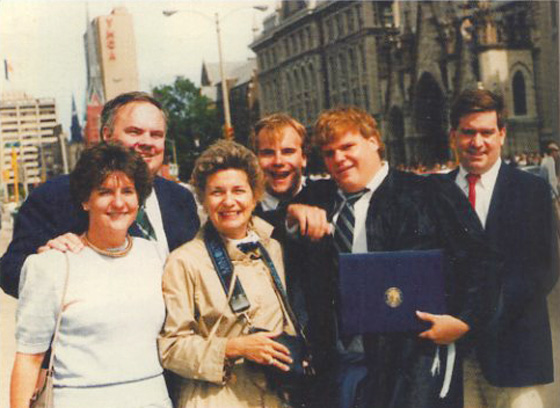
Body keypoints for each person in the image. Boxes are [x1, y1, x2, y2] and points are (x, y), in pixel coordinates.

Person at [286, 106, 497, 408]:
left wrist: (464, 322)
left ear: (373, 141)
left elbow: (482, 264)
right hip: (341, 365)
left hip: (411, 363)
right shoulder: (316, 199)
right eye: (330, 153)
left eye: (348, 147)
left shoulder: (428, 193)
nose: (339, 159)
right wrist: (291, 214)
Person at [10, 143, 171, 408]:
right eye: (105, 192)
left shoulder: (156, 257)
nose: (118, 203)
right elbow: (29, 359)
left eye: (128, 191)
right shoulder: (51, 265)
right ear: (86, 200)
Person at [0, 91, 200, 298]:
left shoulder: (180, 199)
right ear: (107, 135)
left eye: (156, 135)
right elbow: (10, 272)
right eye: (134, 132)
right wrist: (46, 262)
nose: (147, 142)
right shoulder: (54, 196)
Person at [159, 140, 301, 408]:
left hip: (274, 397)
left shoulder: (272, 247)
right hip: (216, 398)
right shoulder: (184, 261)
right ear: (203, 199)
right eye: (216, 192)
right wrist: (234, 347)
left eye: (238, 190)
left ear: (254, 194)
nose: (229, 201)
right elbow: (171, 348)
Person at [448, 89, 559, 408]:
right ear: (453, 135)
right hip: (457, 361)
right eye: (468, 132)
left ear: (502, 134)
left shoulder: (531, 191)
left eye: (486, 132)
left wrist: (473, 320)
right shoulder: (435, 193)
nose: (477, 142)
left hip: (515, 356)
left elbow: (542, 271)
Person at [251, 113, 309, 227]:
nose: (278, 162)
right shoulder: (242, 213)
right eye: (268, 153)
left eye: (288, 152)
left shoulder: (328, 198)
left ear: (303, 158)